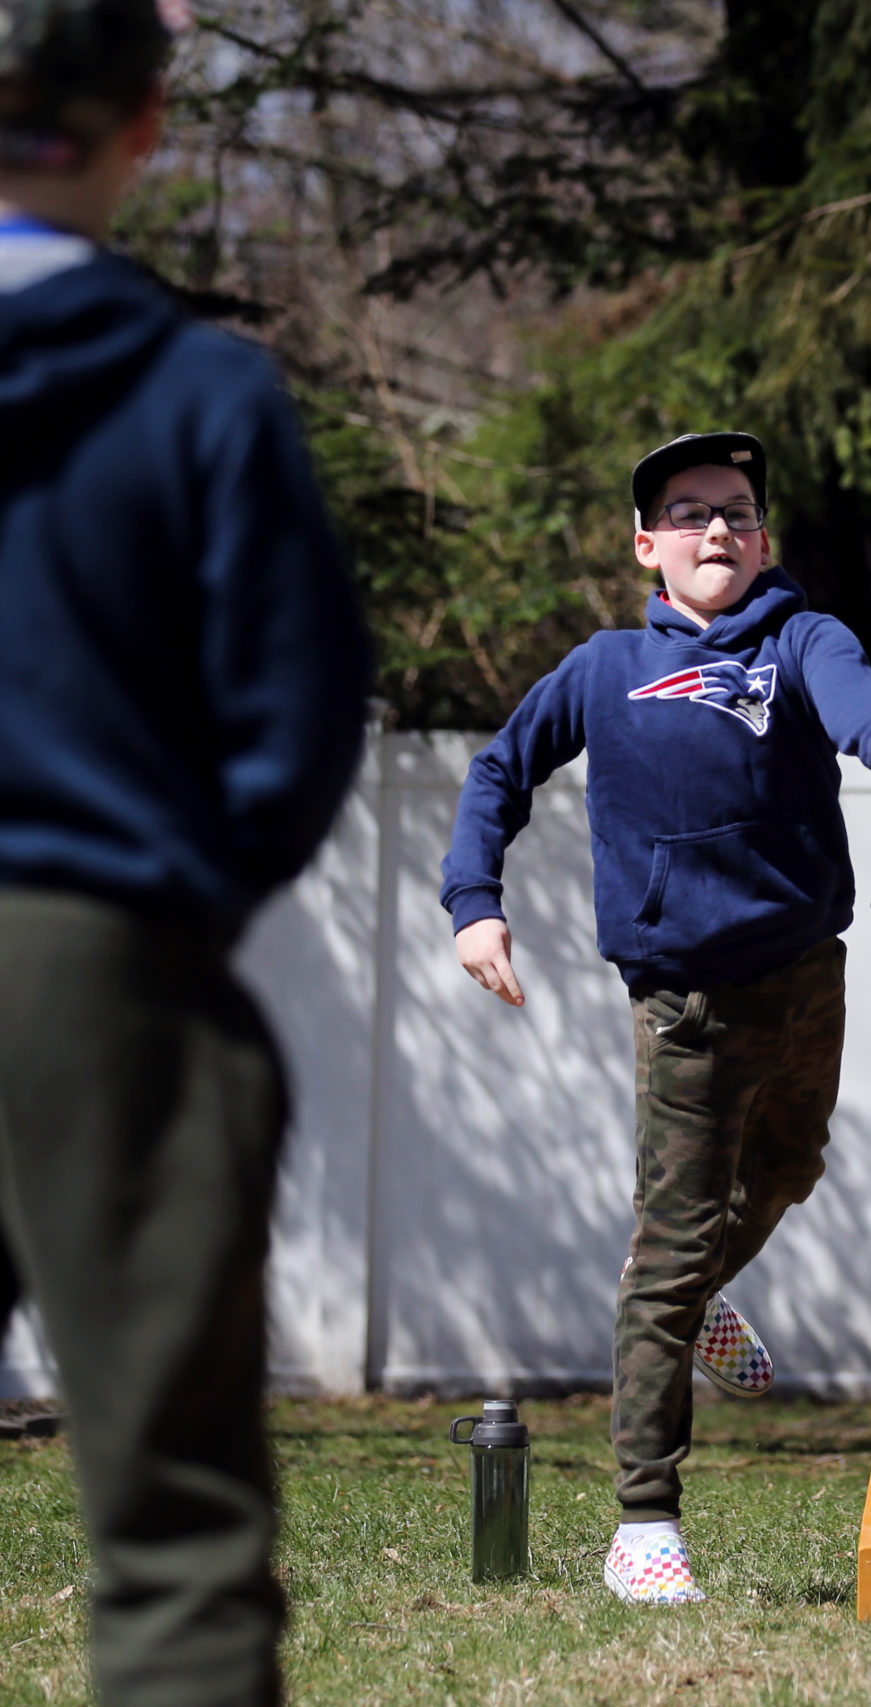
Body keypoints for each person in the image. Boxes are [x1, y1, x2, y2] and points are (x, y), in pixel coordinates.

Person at [0, 1, 375, 1699]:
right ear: (146, 122)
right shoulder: (204, 397)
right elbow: (294, 724)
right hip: (99, 967)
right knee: (169, 1529)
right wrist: (170, 900)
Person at [439, 431, 871, 1606]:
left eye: (736, 512)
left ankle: (700, 1291)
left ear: (762, 540)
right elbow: (495, 775)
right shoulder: (605, 664)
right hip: (683, 1003)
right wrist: (476, 905)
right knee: (661, 1259)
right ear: (647, 547)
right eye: (689, 513)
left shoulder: (803, 638)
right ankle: (645, 1523)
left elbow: (855, 704)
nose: (716, 530)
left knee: (794, 1165)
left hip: (805, 975)